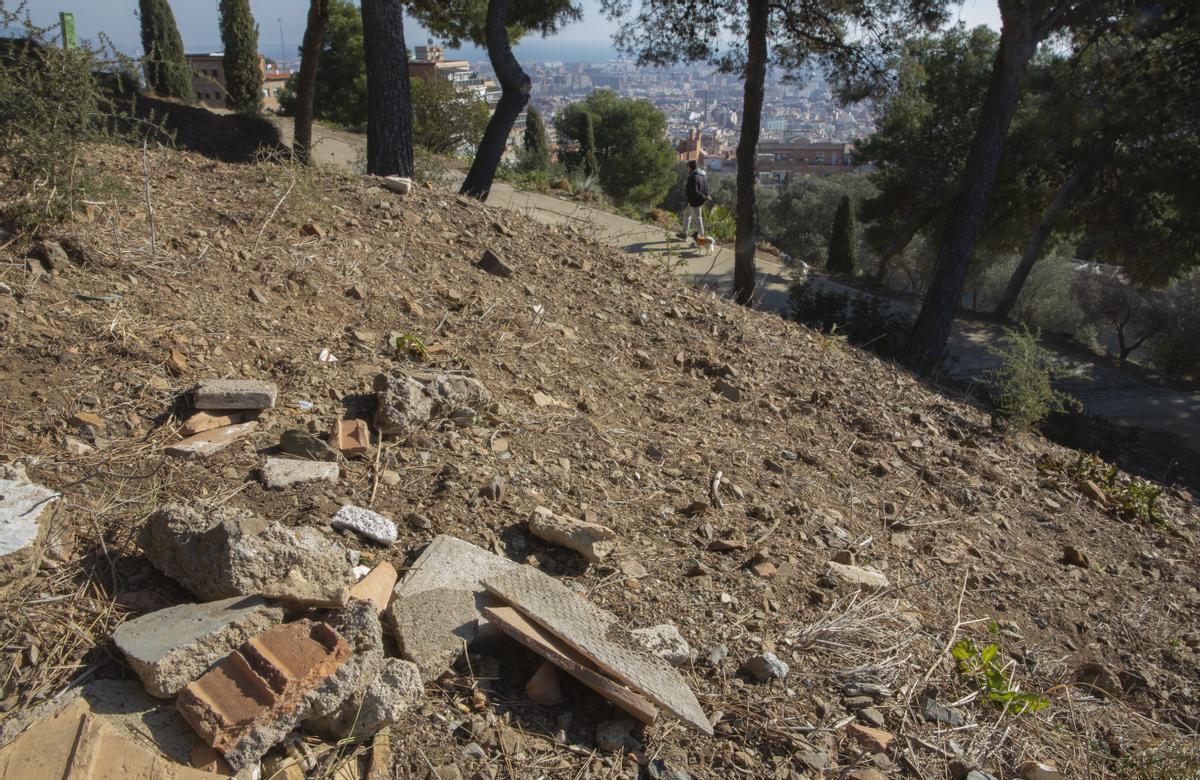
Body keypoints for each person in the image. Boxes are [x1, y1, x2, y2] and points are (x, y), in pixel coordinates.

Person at [677, 159, 709, 241]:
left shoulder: (693, 177)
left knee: (698, 220)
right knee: (686, 214)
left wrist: (704, 197)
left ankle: (701, 239)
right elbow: (705, 187)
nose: (687, 169)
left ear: (690, 167)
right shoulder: (702, 175)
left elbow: (694, 191)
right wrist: (705, 197)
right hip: (696, 201)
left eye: (688, 167)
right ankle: (684, 234)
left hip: (695, 202)